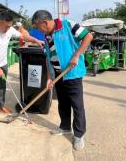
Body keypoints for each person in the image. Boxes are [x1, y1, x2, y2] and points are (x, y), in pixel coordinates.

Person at [31, 10, 93, 150]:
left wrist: (77, 55)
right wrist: (49, 77)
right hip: (58, 75)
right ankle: (65, 127)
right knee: (63, 103)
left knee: (77, 106)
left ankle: (79, 135)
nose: (37, 29)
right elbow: (48, 58)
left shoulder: (67, 25)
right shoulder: (47, 36)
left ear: (44, 22)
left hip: (72, 74)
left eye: (37, 26)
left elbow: (88, 36)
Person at [0, 12, 44, 118]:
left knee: (2, 85)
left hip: (3, 62)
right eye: (6, 26)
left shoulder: (9, 29)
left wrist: (35, 40)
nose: (8, 29)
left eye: (10, 26)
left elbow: (23, 36)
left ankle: (0, 106)